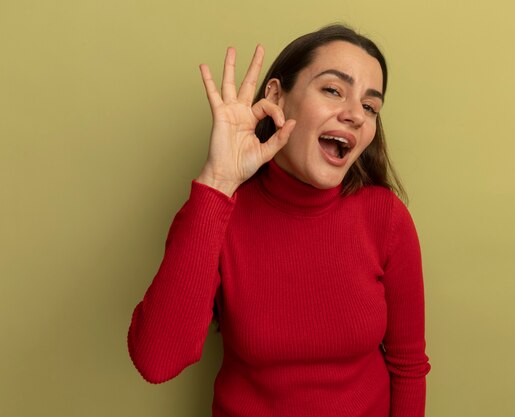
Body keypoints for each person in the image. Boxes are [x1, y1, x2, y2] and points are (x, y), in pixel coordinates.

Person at [127, 24, 431, 417]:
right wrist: (218, 183)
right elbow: (157, 360)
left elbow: (408, 367)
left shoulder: (385, 217)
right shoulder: (219, 212)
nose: (356, 114)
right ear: (276, 97)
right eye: (333, 90)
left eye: (370, 106)